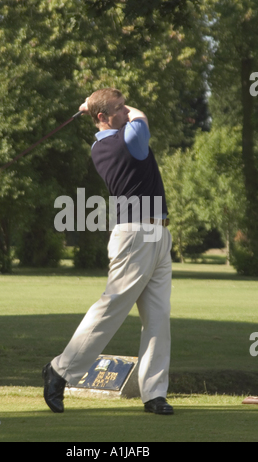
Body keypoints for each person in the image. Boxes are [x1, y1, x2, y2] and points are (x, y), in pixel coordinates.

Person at [42, 88, 174, 416]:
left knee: (158, 318)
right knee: (111, 307)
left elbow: (127, 118)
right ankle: (60, 370)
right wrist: (95, 105)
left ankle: (154, 393)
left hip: (158, 233)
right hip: (135, 236)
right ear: (103, 118)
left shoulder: (108, 141)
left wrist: (92, 105)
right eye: (118, 108)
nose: (125, 112)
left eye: (123, 107)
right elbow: (141, 118)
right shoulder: (125, 140)